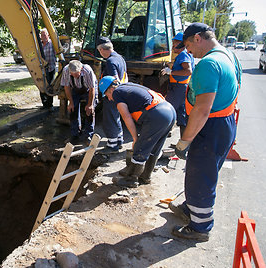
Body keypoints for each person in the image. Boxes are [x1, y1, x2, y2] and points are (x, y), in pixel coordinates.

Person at [170, 23, 241, 242]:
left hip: (210, 126)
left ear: (198, 38)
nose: (188, 51)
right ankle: (191, 208)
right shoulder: (228, 55)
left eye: (189, 45)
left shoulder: (209, 64)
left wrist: (185, 141)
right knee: (203, 171)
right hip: (223, 123)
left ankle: (200, 227)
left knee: (200, 174)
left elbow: (202, 110)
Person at [99, 76, 176, 188]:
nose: (109, 99)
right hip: (169, 111)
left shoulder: (117, 93)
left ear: (110, 89)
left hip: (157, 114)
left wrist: (135, 139)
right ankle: (145, 177)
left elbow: (126, 117)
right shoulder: (126, 86)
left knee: (141, 146)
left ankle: (131, 179)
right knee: (154, 147)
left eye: (107, 95)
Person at [96, 37, 128, 154]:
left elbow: (115, 80)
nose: (100, 53)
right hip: (120, 94)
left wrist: (109, 94)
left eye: (100, 51)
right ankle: (119, 140)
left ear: (102, 49)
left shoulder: (110, 61)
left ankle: (112, 144)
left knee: (110, 118)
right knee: (116, 117)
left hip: (112, 95)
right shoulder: (120, 58)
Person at [160, 32, 195, 136]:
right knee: (181, 114)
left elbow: (188, 71)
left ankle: (161, 135)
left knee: (166, 110)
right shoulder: (186, 54)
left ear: (181, 43)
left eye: (175, 42)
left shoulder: (183, 54)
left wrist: (171, 72)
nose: (173, 45)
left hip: (178, 88)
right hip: (182, 87)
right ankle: (182, 144)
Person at [60, 60, 97, 145]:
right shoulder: (66, 70)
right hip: (75, 88)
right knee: (72, 110)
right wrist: (71, 102)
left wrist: (90, 104)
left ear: (81, 69)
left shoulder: (87, 71)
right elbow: (67, 87)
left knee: (89, 111)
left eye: (76, 74)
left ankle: (88, 135)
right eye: (72, 74)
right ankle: (75, 135)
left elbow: (92, 89)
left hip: (89, 90)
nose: (74, 76)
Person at [40, 28, 57, 108]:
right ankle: (44, 104)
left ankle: (50, 105)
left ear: (48, 35)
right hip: (42, 69)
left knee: (50, 86)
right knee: (41, 86)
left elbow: (57, 52)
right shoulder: (39, 45)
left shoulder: (52, 44)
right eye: (42, 35)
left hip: (51, 68)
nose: (43, 36)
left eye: (44, 35)